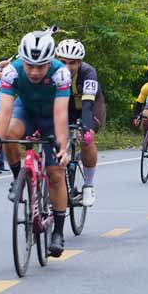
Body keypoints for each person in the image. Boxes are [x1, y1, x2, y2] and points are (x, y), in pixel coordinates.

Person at [0, 27, 72, 257]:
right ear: (22, 61)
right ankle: (18, 178)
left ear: (50, 61)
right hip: (26, 112)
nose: (34, 72)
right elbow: (4, 112)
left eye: (41, 66)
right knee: (8, 133)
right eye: (29, 66)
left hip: (51, 116)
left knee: (55, 173)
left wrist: (63, 147)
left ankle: (58, 232)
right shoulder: (11, 73)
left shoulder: (60, 73)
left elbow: (61, 114)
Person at [56, 39, 104, 207]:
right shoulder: (49, 71)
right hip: (66, 107)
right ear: (56, 58)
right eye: (63, 62)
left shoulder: (89, 72)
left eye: (72, 63)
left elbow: (88, 104)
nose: (67, 67)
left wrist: (85, 128)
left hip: (88, 106)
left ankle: (88, 185)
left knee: (86, 139)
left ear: (80, 62)